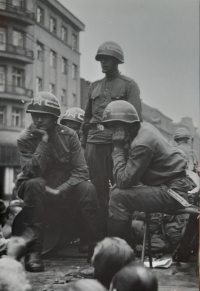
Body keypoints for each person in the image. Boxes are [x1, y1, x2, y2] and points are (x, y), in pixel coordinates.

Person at [15, 91, 101, 272]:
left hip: (61, 189)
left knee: (88, 188)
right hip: (33, 187)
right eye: (35, 115)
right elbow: (31, 172)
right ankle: (34, 252)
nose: (38, 120)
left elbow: (81, 170)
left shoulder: (69, 135)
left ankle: (95, 252)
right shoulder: (25, 138)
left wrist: (61, 190)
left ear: (54, 118)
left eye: (44, 116)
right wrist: (44, 142)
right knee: (35, 183)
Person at [101, 100, 195, 244]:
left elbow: (123, 181)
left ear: (127, 123)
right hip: (169, 187)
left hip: (172, 193)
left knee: (118, 197)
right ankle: (126, 248)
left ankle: (119, 252)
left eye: (114, 126)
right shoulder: (144, 128)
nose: (112, 132)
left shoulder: (142, 143)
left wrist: (118, 148)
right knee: (117, 192)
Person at [80, 41, 143, 236]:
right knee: (97, 191)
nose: (103, 63)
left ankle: (122, 239)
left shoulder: (129, 85)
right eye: (101, 59)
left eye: (107, 59)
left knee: (121, 190)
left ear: (117, 61)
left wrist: (129, 145)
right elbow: (87, 118)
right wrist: (83, 145)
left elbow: (135, 119)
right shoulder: (94, 87)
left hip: (118, 144)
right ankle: (98, 240)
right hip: (95, 144)